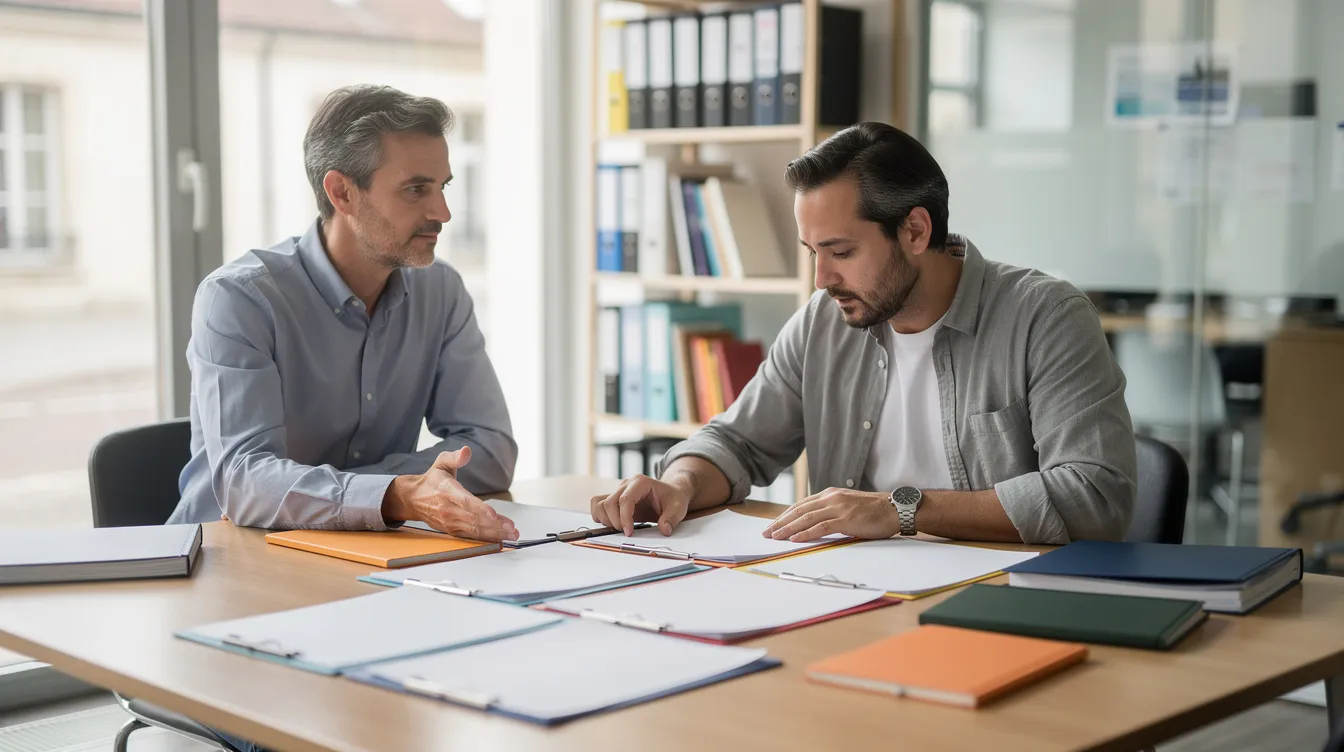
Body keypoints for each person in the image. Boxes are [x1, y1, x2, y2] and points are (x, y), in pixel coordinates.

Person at [592, 122, 1135, 546]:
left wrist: (897, 509)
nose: (822, 279)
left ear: (916, 230)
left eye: (842, 252)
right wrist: (680, 485)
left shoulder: (1047, 317)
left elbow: (1095, 496)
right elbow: (736, 442)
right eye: (813, 253)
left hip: (1002, 603)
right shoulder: (824, 320)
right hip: (854, 595)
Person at [168, 84, 519, 544]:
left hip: (365, 549)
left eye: (442, 187)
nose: (443, 212)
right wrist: (393, 493)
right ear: (342, 193)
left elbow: (490, 449)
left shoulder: (441, 291)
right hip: (226, 553)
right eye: (416, 189)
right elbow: (245, 482)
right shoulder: (239, 299)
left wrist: (372, 494)